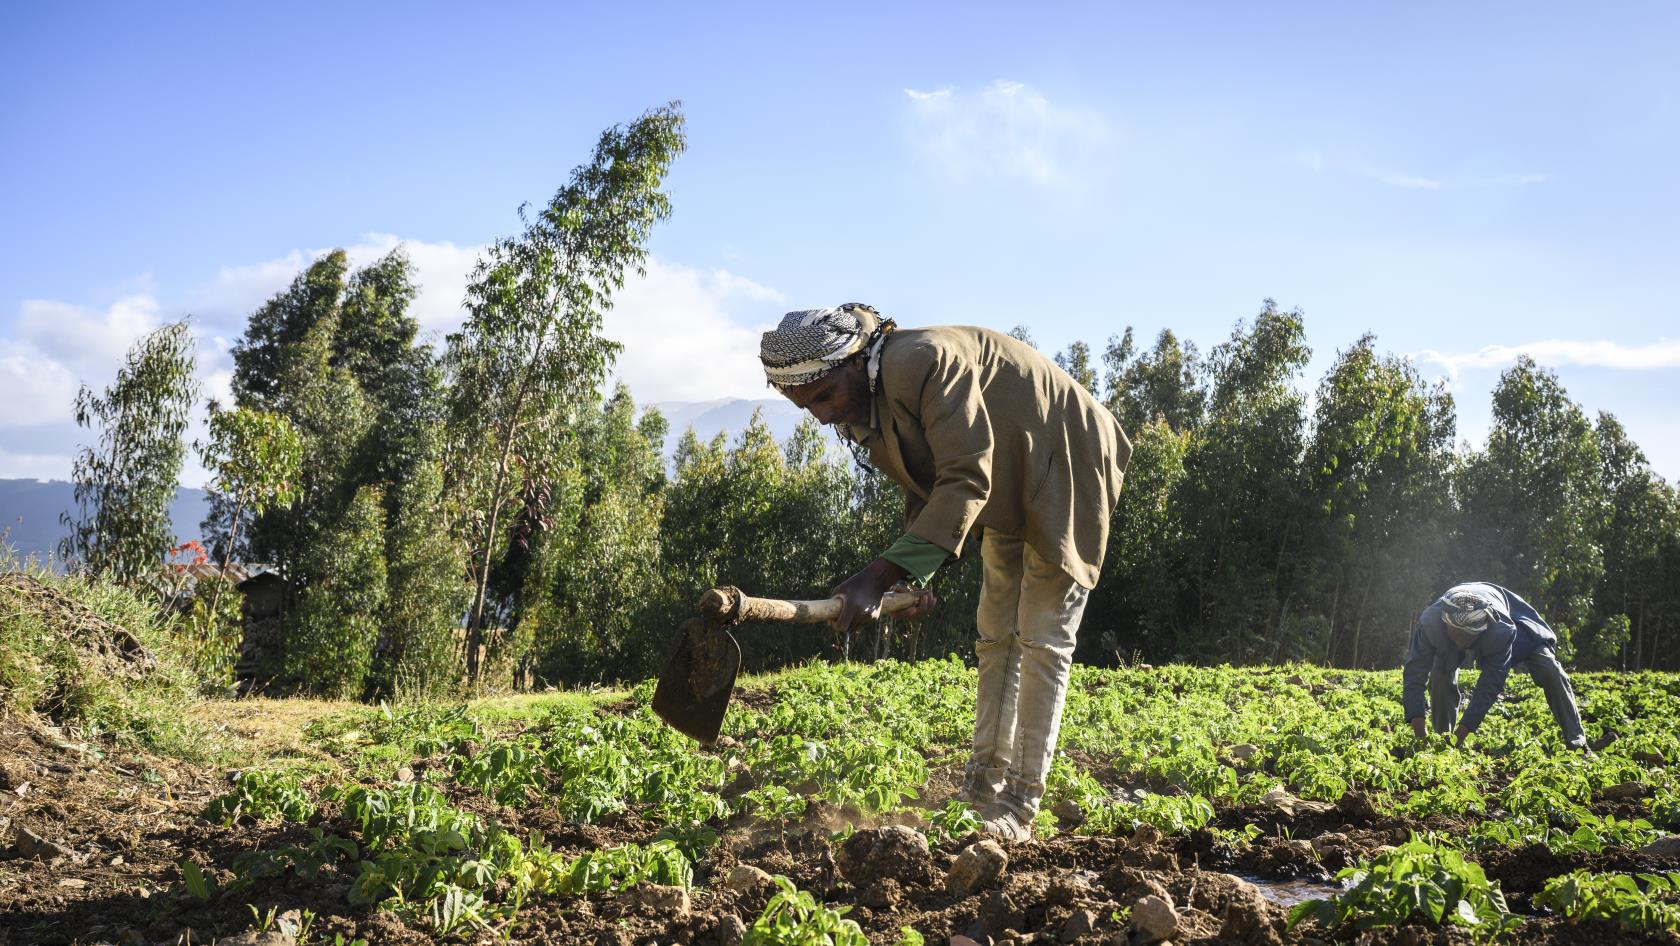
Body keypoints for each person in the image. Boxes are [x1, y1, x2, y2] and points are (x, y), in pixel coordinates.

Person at [759, 304, 1131, 840]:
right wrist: (913, 578)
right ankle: (982, 787)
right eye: (805, 406)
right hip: (1003, 478)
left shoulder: (925, 361)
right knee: (995, 631)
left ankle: (1021, 802)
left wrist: (879, 577)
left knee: (1043, 633)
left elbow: (963, 478)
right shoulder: (862, 403)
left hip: (1064, 455)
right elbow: (927, 486)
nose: (820, 415)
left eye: (823, 396)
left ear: (851, 361)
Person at [1402, 581, 1588, 750]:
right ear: (1446, 623)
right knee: (1440, 675)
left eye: (1468, 636)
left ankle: (1577, 741)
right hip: (1452, 627)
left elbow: (1489, 686)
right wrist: (1420, 736)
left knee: (1550, 669)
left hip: (1515, 618)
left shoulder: (1500, 630)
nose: (1462, 641)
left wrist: (1461, 736)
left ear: (1481, 629)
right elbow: (1414, 674)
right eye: (1458, 633)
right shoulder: (1432, 623)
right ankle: (1442, 738)